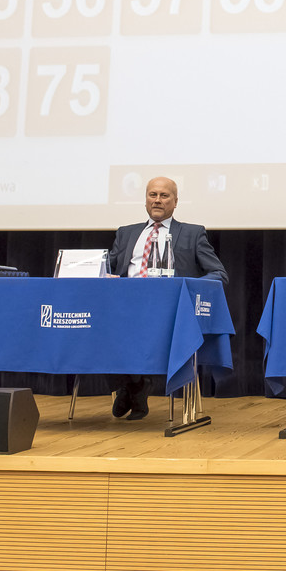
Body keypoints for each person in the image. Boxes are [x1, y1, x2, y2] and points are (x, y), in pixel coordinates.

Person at [107, 176, 228, 421]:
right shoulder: (126, 233)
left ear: (175, 202)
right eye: (152, 195)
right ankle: (133, 384)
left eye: (164, 196)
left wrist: (186, 287)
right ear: (145, 200)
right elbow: (106, 267)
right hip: (125, 305)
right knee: (98, 327)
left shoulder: (193, 233)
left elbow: (219, 274)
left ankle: (132, 385)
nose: (157, 200)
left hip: (169, 309)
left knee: (137, 330)